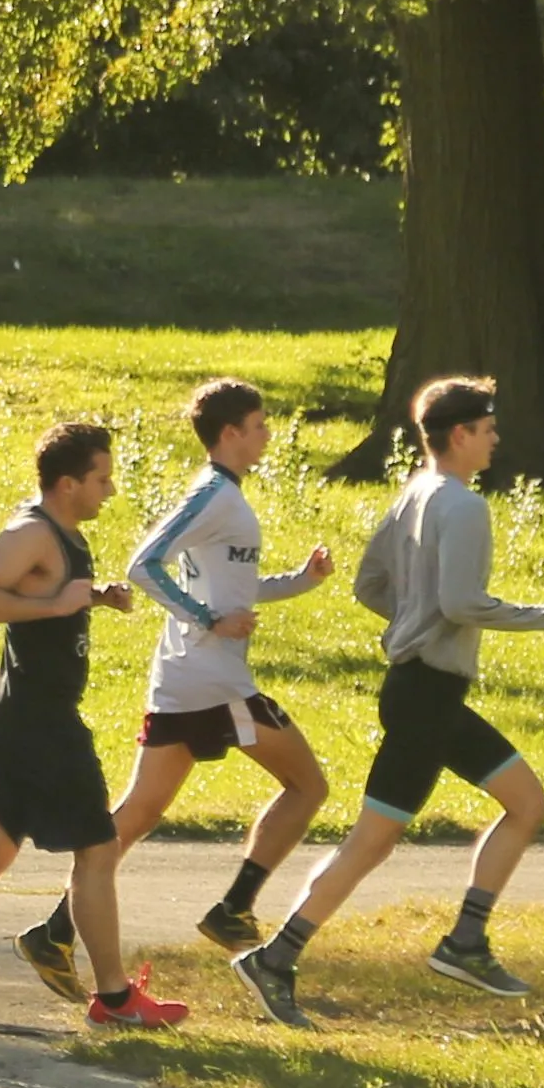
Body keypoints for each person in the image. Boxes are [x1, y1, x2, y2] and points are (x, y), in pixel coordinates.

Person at [237, 375, 544, 1025]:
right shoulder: (464, 506)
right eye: (488, 429)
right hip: (427, 697)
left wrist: (409, 618)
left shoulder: (414, 494)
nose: (496, 440)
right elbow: (461, 604)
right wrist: (539, 616)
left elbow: (369, 584)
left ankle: (466, 940)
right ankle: (276, 958)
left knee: (526, 803)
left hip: (424, 693)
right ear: (459, 435)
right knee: (370, 844)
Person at [0, 422, 181, 1033]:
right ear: (68, 484)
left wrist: (92, 598)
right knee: (99, 847)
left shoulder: (63, 534)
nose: (110, 490)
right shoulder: (30, 532)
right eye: (102, 478)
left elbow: (51, 598)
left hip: (26, 716)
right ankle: (115, 1001)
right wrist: (57, 605)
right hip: (38, 720)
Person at [90, 377, 338, 967]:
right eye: (259, 426)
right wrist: (208, 619)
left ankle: (53, 929)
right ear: (231, 434)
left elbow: (234, 590)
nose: (267, 435)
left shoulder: (226, 497)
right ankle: (234, 910)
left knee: (141, 812)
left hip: (185, 678)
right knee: (309, 787)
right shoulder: (214, 496)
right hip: (214, 680)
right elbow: (143, 565)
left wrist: (303, 581)